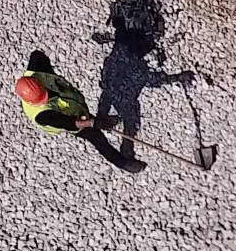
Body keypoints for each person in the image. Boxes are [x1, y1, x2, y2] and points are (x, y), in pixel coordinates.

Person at [15, 50, 144, 173]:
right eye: (43, 99)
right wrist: (92, 123)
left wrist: (51, 73)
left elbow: (37, 55)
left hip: (74, 104)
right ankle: (123, 163)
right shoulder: (41, 115)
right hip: (70, 119)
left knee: (93, 117)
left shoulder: (36, 68)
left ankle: (104, 121)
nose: (47, 97)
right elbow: (68, 123)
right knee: (97, 138)